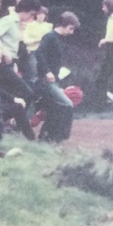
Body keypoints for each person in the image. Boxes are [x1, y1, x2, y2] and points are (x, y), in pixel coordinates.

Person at [35, 12, 80, 140]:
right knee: (67, 105)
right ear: (64, 24)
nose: (72, 32)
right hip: (45, 80)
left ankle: (46, 138)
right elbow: (39, 53)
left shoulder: (59, 39)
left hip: (54, 80)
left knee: (55, 108)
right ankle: (61, 137)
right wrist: (47, 72)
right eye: (71, 28)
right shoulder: (49, 36)